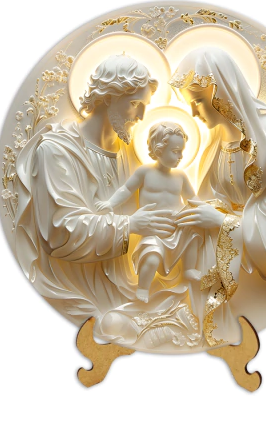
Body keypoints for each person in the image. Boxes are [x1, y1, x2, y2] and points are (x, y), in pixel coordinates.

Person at [169, 47, 266, 346]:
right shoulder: (215, 146)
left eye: (198, 101)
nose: (193, 112)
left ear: (223, 93)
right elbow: (212, 198)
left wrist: (223, 222)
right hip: (227, 267)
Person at [14, 54, 177, 340]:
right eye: (134, 104)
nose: (141, 117)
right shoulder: (56, 150)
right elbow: (60, 232)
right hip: (78, 292)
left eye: (145, 106)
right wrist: (131, 225)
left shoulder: (128, 154)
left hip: (125, 287)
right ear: (107, 97)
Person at [95, 121, 203, 303]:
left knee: (193, 235)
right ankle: (143, 288)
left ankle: (189, 269)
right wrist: (110, 204)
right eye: (175, 151)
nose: (180, 156)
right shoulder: (145, 172)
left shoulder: (181, 176)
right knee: (151, 258)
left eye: (182, 151)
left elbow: (192, 198)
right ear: (159, 150)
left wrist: (204, 208)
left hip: (178, 227)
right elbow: (126, 190)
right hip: (154, 229)